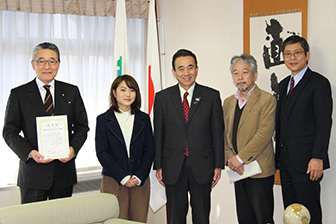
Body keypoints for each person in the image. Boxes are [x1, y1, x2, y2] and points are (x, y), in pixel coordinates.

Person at [3, 42, 89, 204]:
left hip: (63, 172)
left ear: (58, 65)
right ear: (33, 64)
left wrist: (72, 148)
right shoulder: (19, 94)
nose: (47, 66)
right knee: (33, 219)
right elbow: (9, 131)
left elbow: (82, 127)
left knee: (62, 219)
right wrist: (30, 152)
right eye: (41, 61)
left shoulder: (71, 91)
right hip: (33, 174)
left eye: (52, 61)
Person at [154, 49, 224, 224]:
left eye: (190, 68)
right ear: (174, 72)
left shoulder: (211, 96)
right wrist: (159, 165)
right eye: (181, 69)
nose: (186, 73)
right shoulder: (162, 98)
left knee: (201, 217)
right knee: (175, 218)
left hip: (202, 165)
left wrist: (218, 165)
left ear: (197, 69)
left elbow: (217, 132)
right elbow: (158, 134)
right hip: (173, 166)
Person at [275, 35, 332, 224]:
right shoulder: (283, 85)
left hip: (308, 163)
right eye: (288, 54)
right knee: (291, 213)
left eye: (297, 53)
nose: (292, 58)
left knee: (310, 213)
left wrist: (318, 157)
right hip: (286, 163)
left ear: (307, 55)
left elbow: (324, 123)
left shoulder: (318, 83)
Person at [223, 53, 276, 224]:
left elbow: (264, 134)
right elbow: (224, 135)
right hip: (238, 171)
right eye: (235, 73)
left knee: (263, 218)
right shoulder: (228, 102)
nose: (240, 77)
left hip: (259, 170)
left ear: (255, 74)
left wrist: (240, 159)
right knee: (244, 218)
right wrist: (231, 160)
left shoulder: (267, 100)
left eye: (245, 72)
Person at [95, 75, 155, 222]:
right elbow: (102, 152)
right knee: (116, 220)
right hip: (113, 180)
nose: (128, 94)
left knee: (139, 220)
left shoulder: (144, 119)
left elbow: (150, 149)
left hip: (139, 180)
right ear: (114, 93)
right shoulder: (103, 120)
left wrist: (139, 175)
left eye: (132, 90)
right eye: (123, 90)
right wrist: (123, 177)